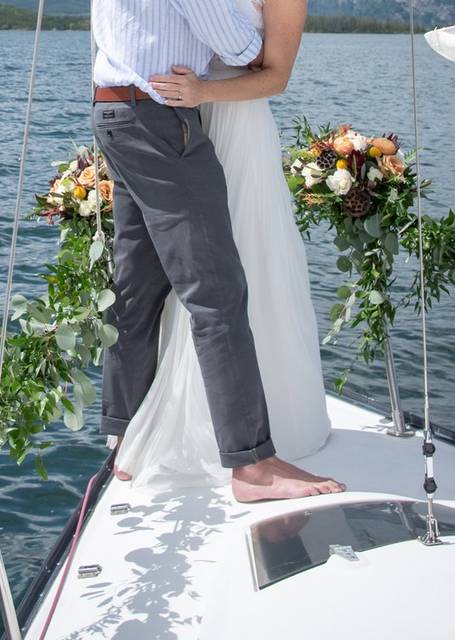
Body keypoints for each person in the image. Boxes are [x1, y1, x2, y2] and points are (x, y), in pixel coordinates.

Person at [92, 0, 343, 502]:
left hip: (117, 107)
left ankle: (125, 437)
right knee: (216, 293)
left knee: (137, 287)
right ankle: (252, 467)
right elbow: (240, 47)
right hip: (156, 118)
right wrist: (243, 45)